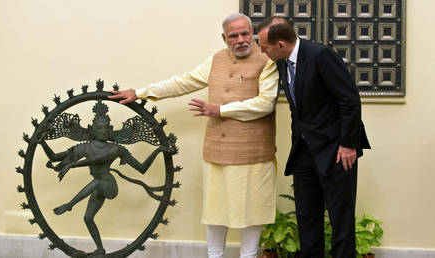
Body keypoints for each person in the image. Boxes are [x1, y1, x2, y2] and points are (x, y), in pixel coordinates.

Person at [109, 13, 279, 258]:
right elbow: (183, 82)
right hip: (217, 149)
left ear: (252, 33)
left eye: (245, 33)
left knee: (252, 210)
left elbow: (266, 104)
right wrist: (141, 92)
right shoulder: (216, 60)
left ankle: (249, 255)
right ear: (224, 38)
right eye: (234, 35)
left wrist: (220, 110)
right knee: (215, 209)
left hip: (253, 150)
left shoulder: (268, 59)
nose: (241, 40)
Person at [256, 17, 371, 258]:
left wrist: (349, 144)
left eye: (263, 46)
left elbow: (349, 100)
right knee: (307, 217)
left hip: (337, 150)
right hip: (304, 152)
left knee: (341, 219)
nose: (261, 50)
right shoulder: (280, 61)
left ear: (279, 43)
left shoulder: (320, 55)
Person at [39, 100, 168, 255]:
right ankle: (100, 249)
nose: (102, 131)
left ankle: (70, 204)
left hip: (109, 186)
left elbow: (141, 168)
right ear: (92, 129)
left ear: (110, 130)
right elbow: (54, 157)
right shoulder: (84, 147)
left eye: (106, 128)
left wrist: (158, 150)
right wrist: (41, 142)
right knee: (88, 218)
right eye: (99, 128)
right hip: (98, 188)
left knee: (97, 182)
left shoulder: (116, 149)